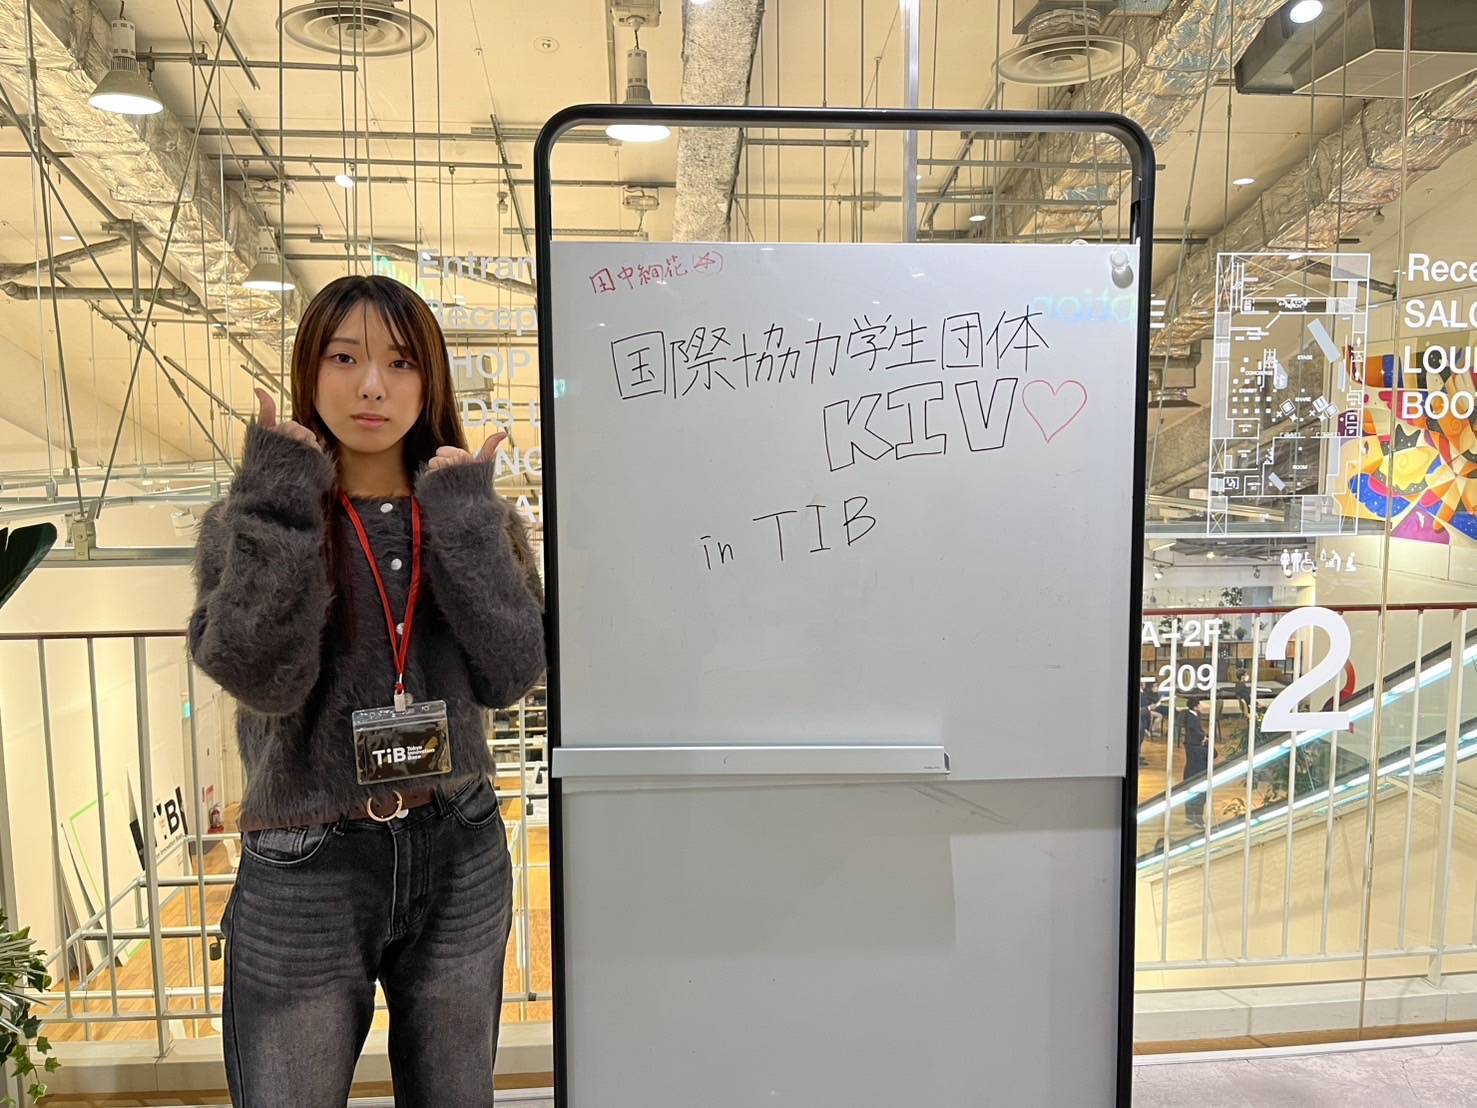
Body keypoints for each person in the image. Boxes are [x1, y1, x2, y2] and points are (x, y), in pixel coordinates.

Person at [188, 275, 546, 1108]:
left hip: (458, 844)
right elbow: (261, 675)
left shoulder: (468, 515)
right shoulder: (253, 519)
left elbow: (511, 672)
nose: (373, 386)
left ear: (431, 381)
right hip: (307, 864)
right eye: (345, 358)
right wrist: (280, 499)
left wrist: (467, 521)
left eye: (400, 361)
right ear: (309, 373)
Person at [1177, 697, 1210, 829]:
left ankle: (1190, 816)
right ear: (1195, 706)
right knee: (1199, 794)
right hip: (1198, 770)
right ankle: (1197, 819)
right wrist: (1204, 739)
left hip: (1190, 768)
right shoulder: (1192, 719)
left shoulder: (1190, 717)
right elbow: (1196, 732)